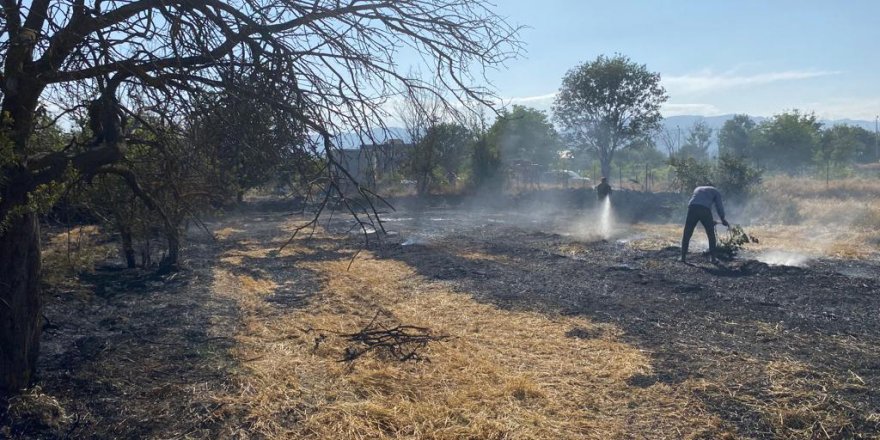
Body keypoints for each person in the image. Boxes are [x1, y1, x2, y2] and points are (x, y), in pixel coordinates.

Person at [680, 183, 729, 263]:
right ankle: (713, 259)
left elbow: (698, 208)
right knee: (711, 234)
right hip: (704, 209)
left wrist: (710, 221)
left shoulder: (697, 188)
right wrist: (723, 219)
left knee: (687, 233)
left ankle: (683, 258)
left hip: (692, 208)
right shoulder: (716, 191)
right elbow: (719, 206)